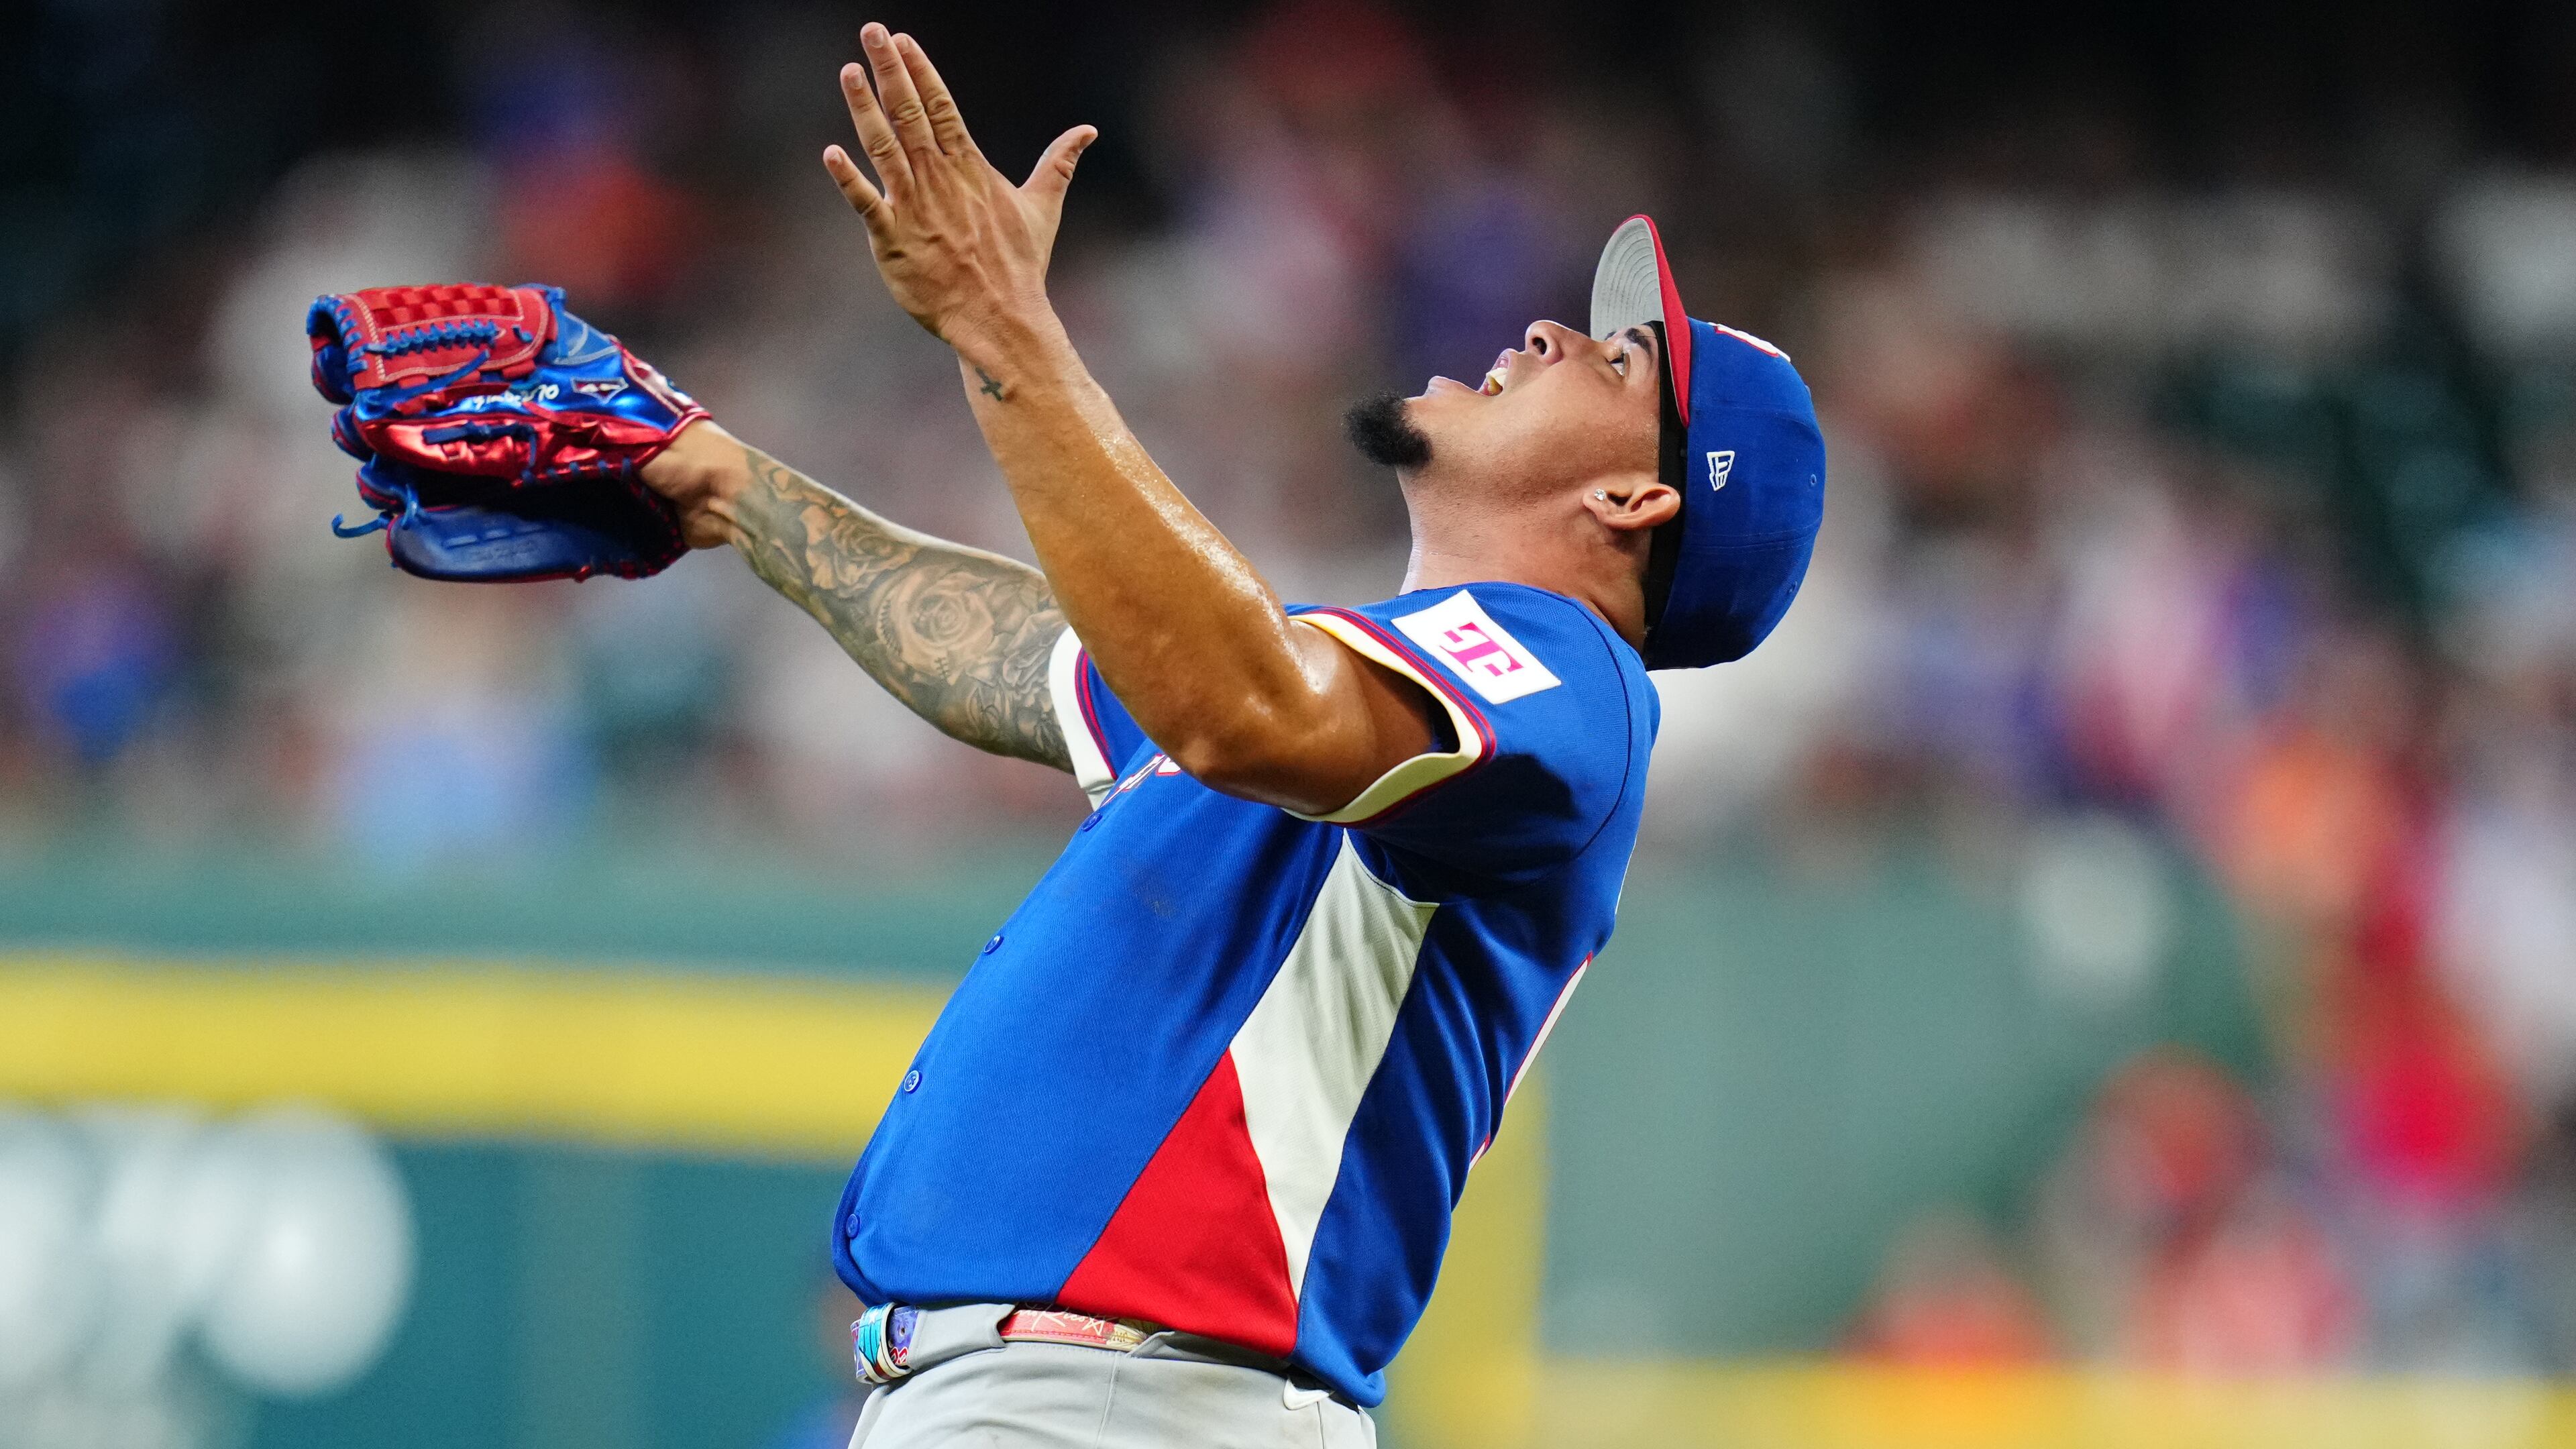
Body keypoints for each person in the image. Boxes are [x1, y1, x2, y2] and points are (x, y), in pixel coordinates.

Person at [635, 24, 1824, 1448]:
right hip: (1083, 1394)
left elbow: (1228, 703)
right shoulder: (1374, 697)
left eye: (1621, 361)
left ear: (1637, 506)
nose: (1551, 332)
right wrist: (726, 486)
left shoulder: (1564, 679)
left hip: (1135, 1398)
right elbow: (1028, 655)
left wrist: (1002, 322)